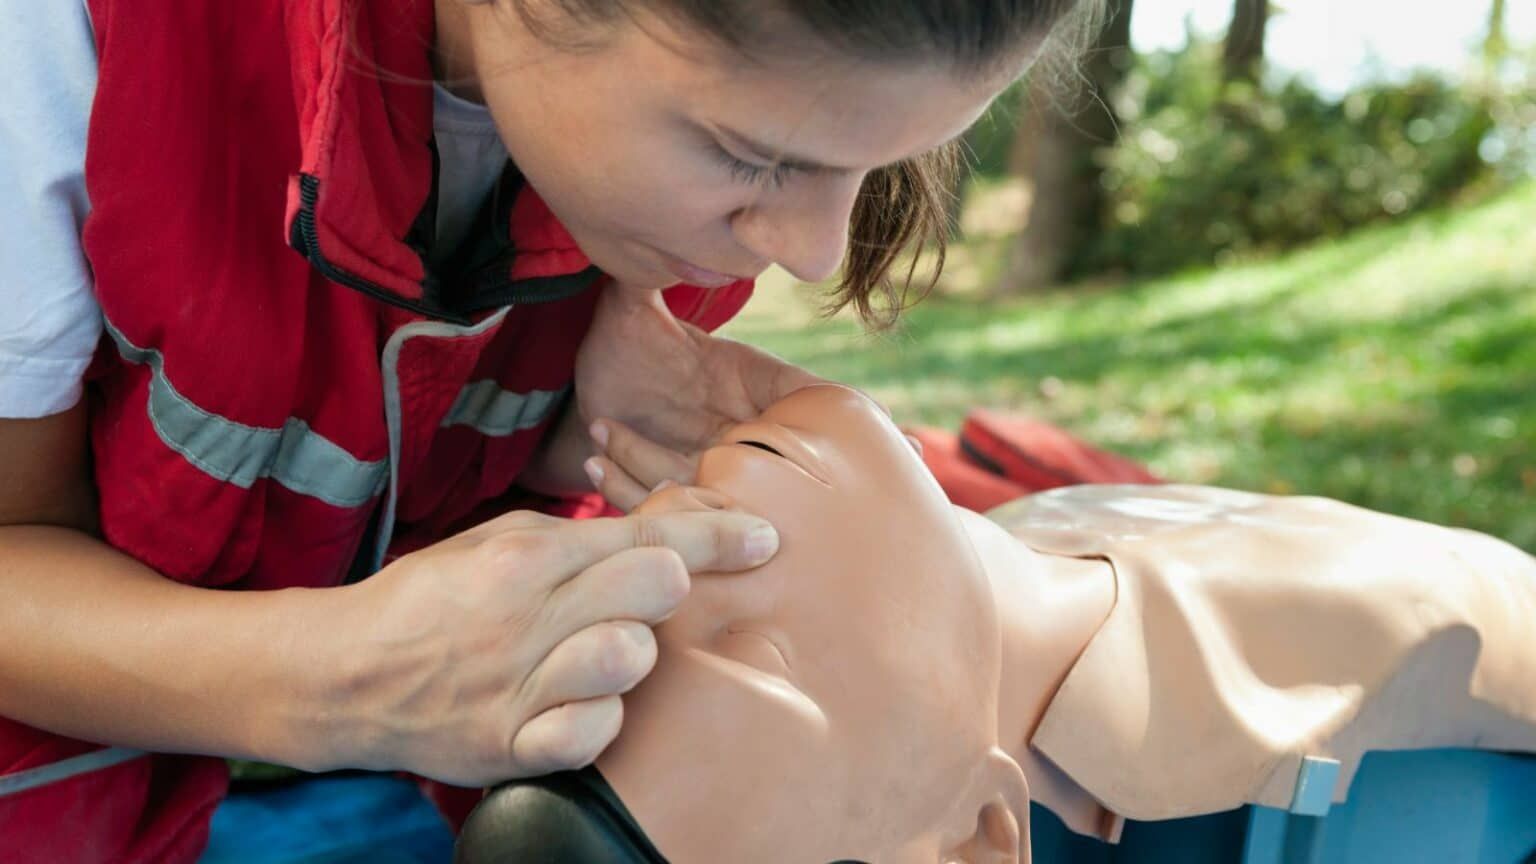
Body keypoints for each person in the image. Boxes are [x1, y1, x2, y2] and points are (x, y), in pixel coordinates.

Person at [0, 0, 1101, 859]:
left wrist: (550, 437)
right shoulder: (58, 44)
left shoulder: (658, 185)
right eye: (759, 158)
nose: (815, 250)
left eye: (881, 163)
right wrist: (336, 680)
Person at [457, 384, 1536, 864]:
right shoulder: (1306, 643)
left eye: (651, 586)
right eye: (751, 647)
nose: (683, 531)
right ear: (977, 840)